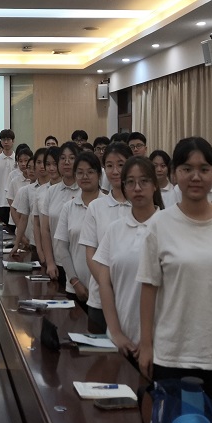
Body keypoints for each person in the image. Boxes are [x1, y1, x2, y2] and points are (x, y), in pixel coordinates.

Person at [138, 137, 212, 415]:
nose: (195, 177)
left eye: (204, 169)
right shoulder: (159, 224)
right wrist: (146, 346)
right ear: (173, 174)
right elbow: (148, 289)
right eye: (186, 169)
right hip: (173, 353)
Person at [93, 156, 163, 362]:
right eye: (130, 182)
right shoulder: (115, 229)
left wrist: (149, 340)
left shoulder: (169, 226)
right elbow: (104, 283)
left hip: (161, 343)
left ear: (155, 185)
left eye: (144, 181)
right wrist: (115, 332)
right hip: (120, 340)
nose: (137, 188)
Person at [80, 142, 132, 333]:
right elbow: (91, 254)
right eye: (109, 165)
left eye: (121, 164)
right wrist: (107, 286)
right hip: (100, 299)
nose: (115, 171)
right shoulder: (96, 207)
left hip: (134, 300)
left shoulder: (142, 205)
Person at [53, 152, 102, 310]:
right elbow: (62, 247)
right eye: (80, 172)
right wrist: (74, 281)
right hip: (75, 287)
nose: (85, 176)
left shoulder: (108, 205)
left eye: (90, 172)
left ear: (99, 174)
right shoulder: (69, 207)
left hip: (104, 288)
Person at [38, 143, 80, 284]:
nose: (67, 162)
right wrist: (50, 262)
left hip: (80, 264)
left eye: (72, 158)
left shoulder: (85, 191)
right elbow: (45, 229)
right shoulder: (52, 191)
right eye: (62, 158)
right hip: (57, 263)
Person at [11, 147, 49, 261]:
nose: (42, 166)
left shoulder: (56, 189)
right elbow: (23, 218)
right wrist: (17, 243)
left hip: (53, 243)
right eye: (38, 162)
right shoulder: (28, 190)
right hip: (35, 242)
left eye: (45, 162)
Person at [0, 130, 17, 228]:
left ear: (13, 141)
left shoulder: (17, 159)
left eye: (8, 139)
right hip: (1, 201)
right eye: (3, 140)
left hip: (15, 201)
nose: (6, 142)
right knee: (5, 229)